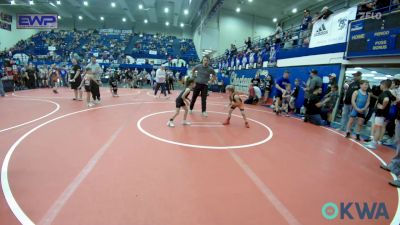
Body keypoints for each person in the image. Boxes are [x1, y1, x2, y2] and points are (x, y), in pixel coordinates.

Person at [364, 80, 396, 149]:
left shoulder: (384, 94)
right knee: (379, 127)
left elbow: (386, 100)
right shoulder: (389, 93)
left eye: (381, 85)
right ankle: (374, 141)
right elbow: (396, 99)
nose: (380, 86)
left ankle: (373, 144)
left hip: (380, 114)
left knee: (378, 128)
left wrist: (383, 106)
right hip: (383, 114)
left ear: (384, 85)